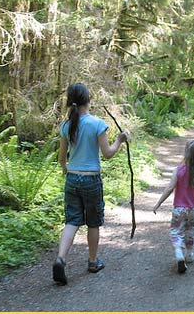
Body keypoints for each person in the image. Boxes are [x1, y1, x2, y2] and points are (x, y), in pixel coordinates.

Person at [53, 83, 129, 285]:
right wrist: (120, 140)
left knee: (72, 220)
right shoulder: (97, 124)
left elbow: (62, 157)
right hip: (91, 180)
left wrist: (66, 171)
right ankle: (93, 262)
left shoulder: (66, 126)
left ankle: (60, 259)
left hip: (72, 178)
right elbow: (108, 154)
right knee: (93, 221)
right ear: (89, 100)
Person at [153, 139, 194, 274]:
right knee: (190, 231)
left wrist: (159, 202)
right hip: (193, 209)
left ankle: (179, 252)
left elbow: (170, 188)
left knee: (176, 231)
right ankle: (189, 254)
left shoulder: (178, 170)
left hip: (179, 208)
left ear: (186, 154)